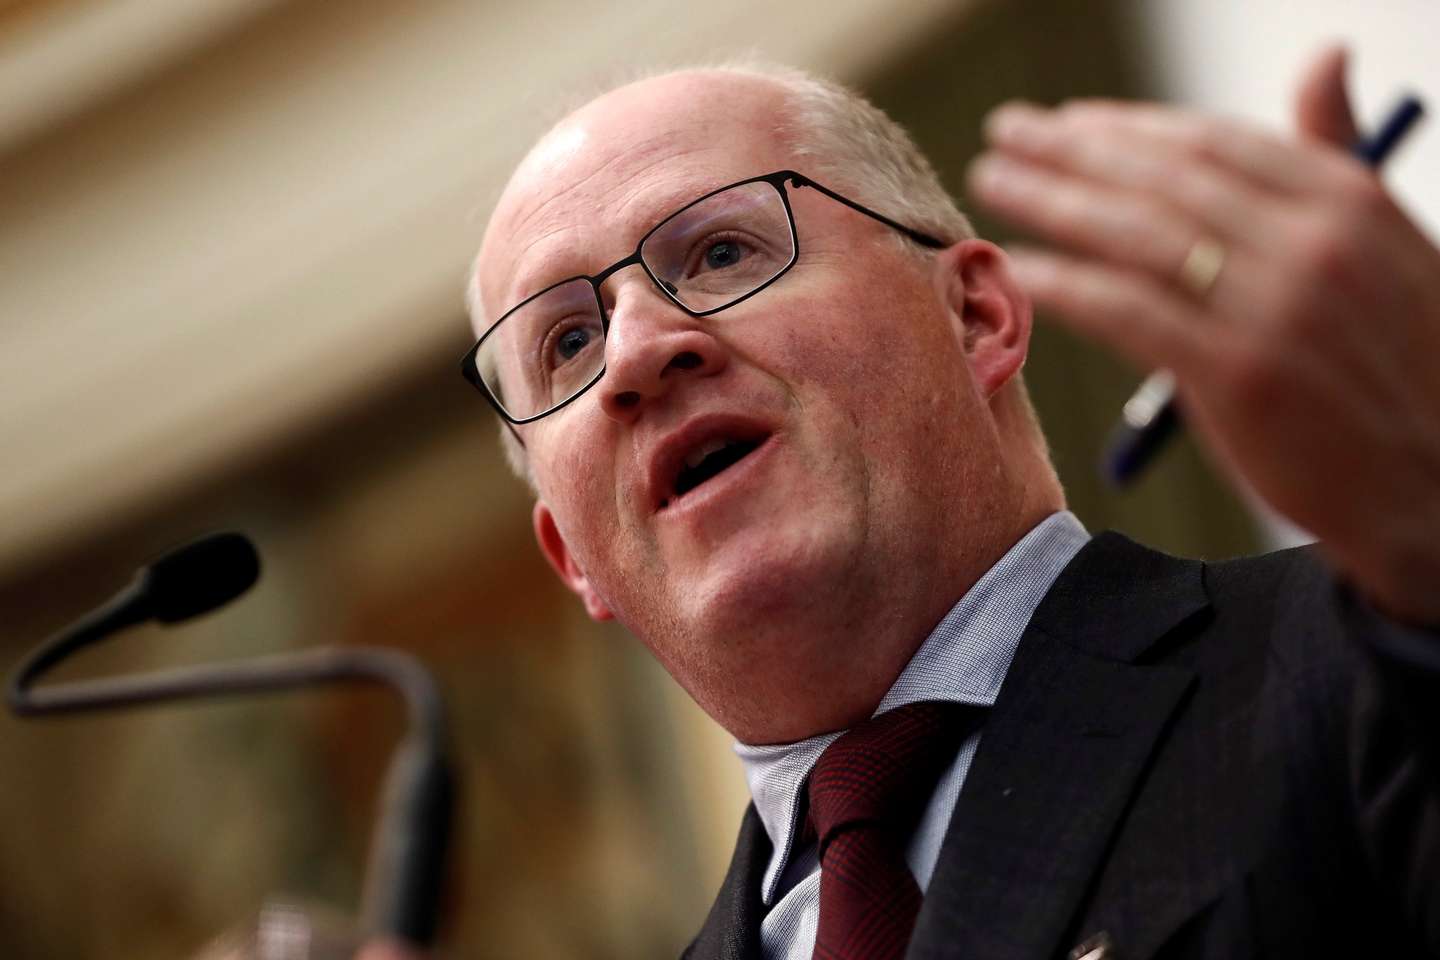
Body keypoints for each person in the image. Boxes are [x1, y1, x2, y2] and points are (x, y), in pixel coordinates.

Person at [459, 45, 1440, 959]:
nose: (634, 352)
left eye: (721, 253)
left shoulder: (1361, 659)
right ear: (572, 557)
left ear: (973, 315)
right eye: (569, 345)